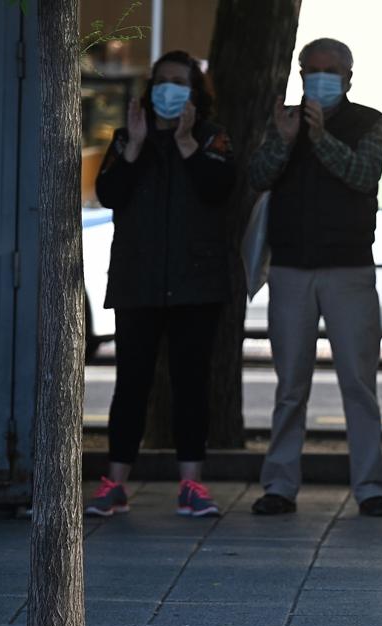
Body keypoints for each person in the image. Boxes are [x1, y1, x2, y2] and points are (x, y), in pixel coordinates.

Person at [248, 38, 382, 517]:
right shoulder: (285, 122)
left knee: (358, 381)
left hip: (349, 269)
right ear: (300, 72)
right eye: (311, 70)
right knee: (290, 385)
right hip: (290, 269)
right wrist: (287, 140)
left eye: (330, 71)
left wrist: (319, 138)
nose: (320, 78)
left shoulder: (369, 121)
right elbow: (258, 175)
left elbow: (362, 174)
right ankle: (280, 484)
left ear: (349, 77)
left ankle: (370, 487)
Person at [88, 50, 235, 518]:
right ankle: (114, 483)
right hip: (139, 281)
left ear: (195, 92)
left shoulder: (213, 138)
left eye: (179, 81)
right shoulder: (129, 136)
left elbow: (219, 190)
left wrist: (189, 143)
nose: (168, 89)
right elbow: (109, 193)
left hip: (196, 283)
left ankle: (192, 485)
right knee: (131, 382)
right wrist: (131, 148)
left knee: (191, 383)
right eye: (161, 81)